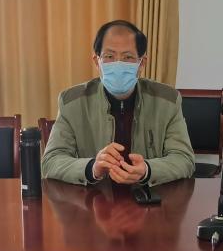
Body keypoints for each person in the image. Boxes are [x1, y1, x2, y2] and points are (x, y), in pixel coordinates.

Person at [42, 20, 194, 186]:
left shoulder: (168, 101)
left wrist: (147, 170)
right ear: (97, 61)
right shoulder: (72, 102)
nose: (118, 64)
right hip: (95, 197)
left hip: (148, 196)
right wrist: (92, 168)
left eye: (128, 57)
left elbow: (184, 159)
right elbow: (51, 161)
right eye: (109, 57)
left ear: (141, 63)